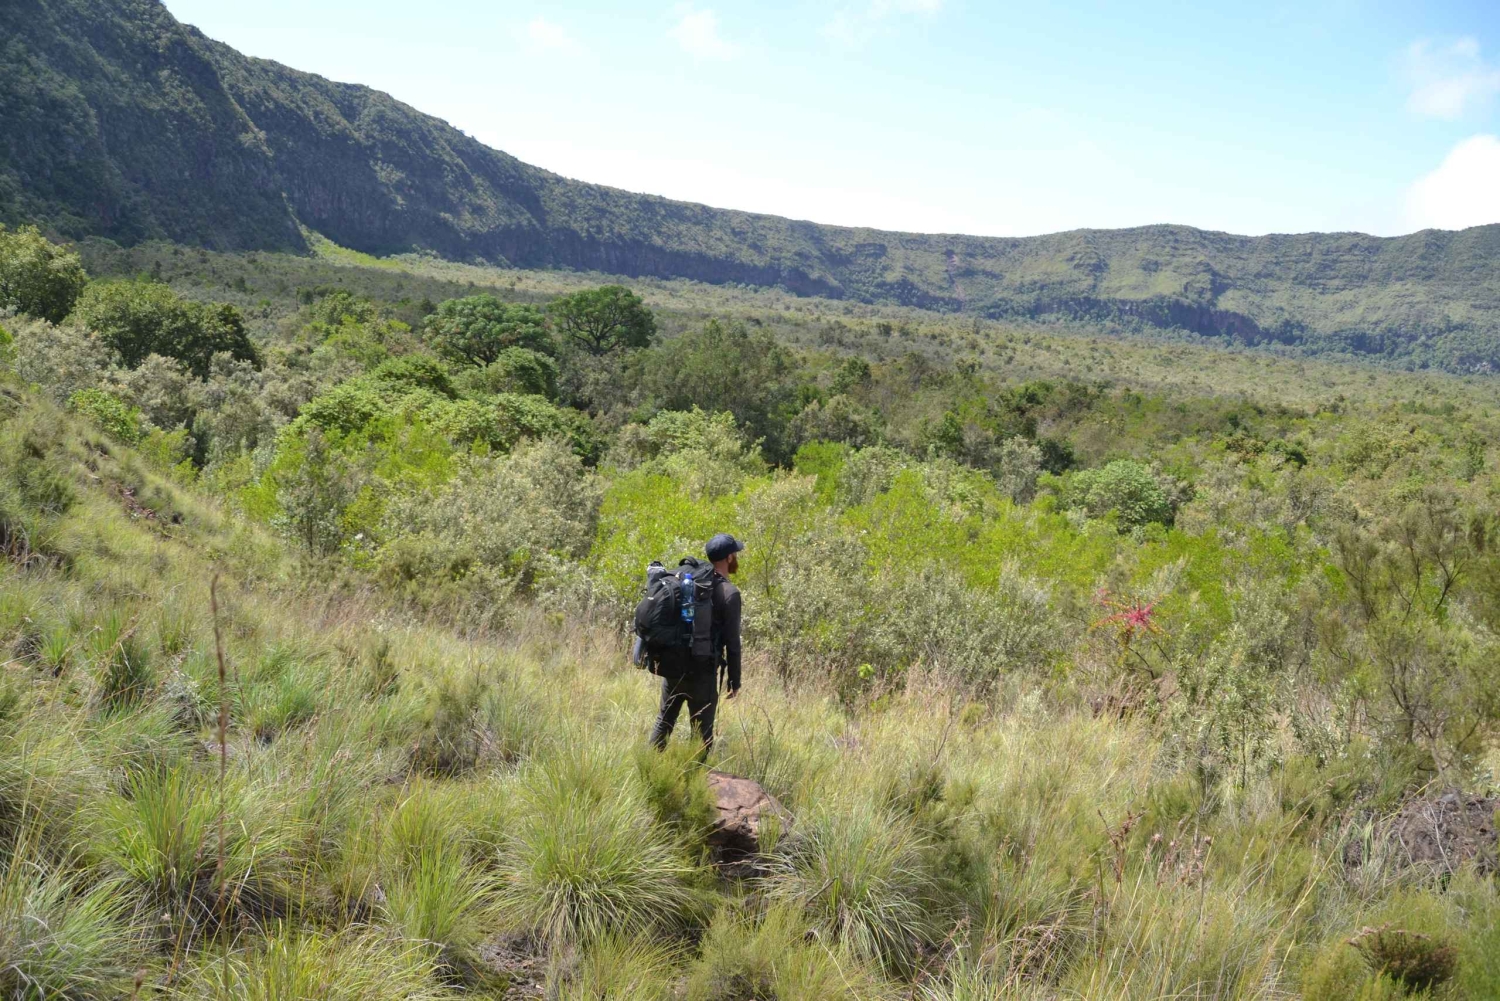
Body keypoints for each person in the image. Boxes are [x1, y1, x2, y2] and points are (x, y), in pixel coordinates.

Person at [648, 532, 744, 757]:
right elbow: (732, 643)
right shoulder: (730, 594)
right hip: (702, 672)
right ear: (729, 558)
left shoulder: (690, 581)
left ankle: (649, 770)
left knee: (664, 723)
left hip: (673, 666)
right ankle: (697, 782)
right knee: (702, 736)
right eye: (736, 554)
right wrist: (734, 681)